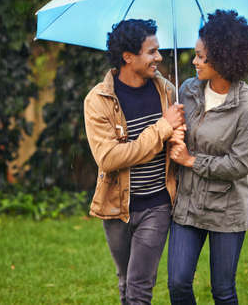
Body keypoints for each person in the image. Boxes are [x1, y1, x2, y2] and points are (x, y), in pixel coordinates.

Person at [84, 18, 184, 305]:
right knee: (125, 281)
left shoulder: (167, 93)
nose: (159, 57)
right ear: (128, 57)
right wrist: (162, 129)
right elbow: (109, 158)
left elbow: (178, 138)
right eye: (151, 51)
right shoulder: (98, 101)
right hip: (116, 207)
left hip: (156, 204)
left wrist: (179, 136)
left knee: (140, 286)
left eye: (159, 50)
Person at [167, 9, 248, 305]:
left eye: (200, 57)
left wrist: (191, 161)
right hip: (188, 206)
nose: (194, 62)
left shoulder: (247, 108)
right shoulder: (188, 91)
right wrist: (173, 131)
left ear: (222, 58)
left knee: (223, 291)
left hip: (226, 211)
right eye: (195, 55)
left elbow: (239, 165)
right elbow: (179, 137)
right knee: (178, 283)